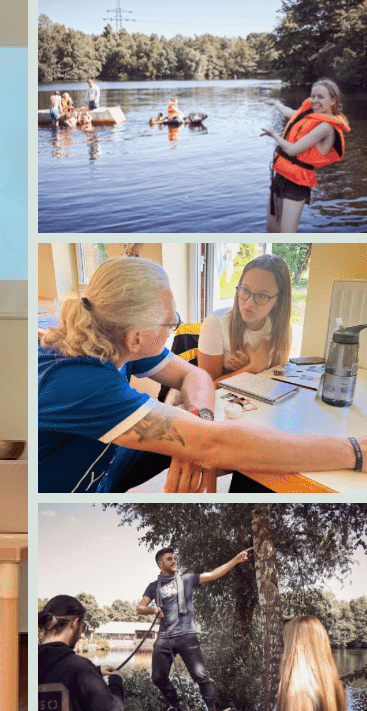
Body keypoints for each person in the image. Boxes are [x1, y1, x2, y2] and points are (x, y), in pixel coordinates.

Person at [37, 256, 367, 493]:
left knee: (212, 443)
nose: (174, 328)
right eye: (171, 322)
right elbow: (214, 442)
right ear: (136, 336)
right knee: (225, 447)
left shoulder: (109, 336)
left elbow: (196, 378)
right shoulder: (79, 383)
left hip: (108, 463)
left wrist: (198, 422)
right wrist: (352, 450)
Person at [137, 547, 252, 711]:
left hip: (186, 635)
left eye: (175, 558)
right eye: (170, 559)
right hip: (164, 637)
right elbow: (140, 608)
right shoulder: (153, 587)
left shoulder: (187, 579)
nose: (174, 561)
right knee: (157, 677)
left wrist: (235, 560)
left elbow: (213, 574)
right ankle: (176, 707)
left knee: (200, 675)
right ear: (160, 564)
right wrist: (154, 611)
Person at [262, 79, 351, 233]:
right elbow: (290, 113)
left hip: (297, 181)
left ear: (333, 100)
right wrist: (276, 104)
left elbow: (292, 150)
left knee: (286, 234)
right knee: (271, 230)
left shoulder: (326, 126)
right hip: (281, 174)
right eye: (313, 96)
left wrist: (274, 135)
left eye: (320, 97)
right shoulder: (311, 115)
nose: (315, 101)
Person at [39, 595, 124, 711]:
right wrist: (116, 682)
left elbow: (55, 674)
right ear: (75, 623)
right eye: (83, 627)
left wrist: (96, 671)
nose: (80, 634)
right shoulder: (80, 667)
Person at [198, 254, 292, 386]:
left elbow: (275, 382)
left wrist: (248, 370)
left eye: (261, 295)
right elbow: (206, 387)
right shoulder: (216, 323)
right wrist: (252, 368)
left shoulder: (280, 328)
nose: (248, 304)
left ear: (279, 300)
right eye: (245, 290)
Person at [260, 615, 350, 711]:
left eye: (287, 643)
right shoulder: (332, 687)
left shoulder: (298, 691)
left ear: (296, 647)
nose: (284, 650)